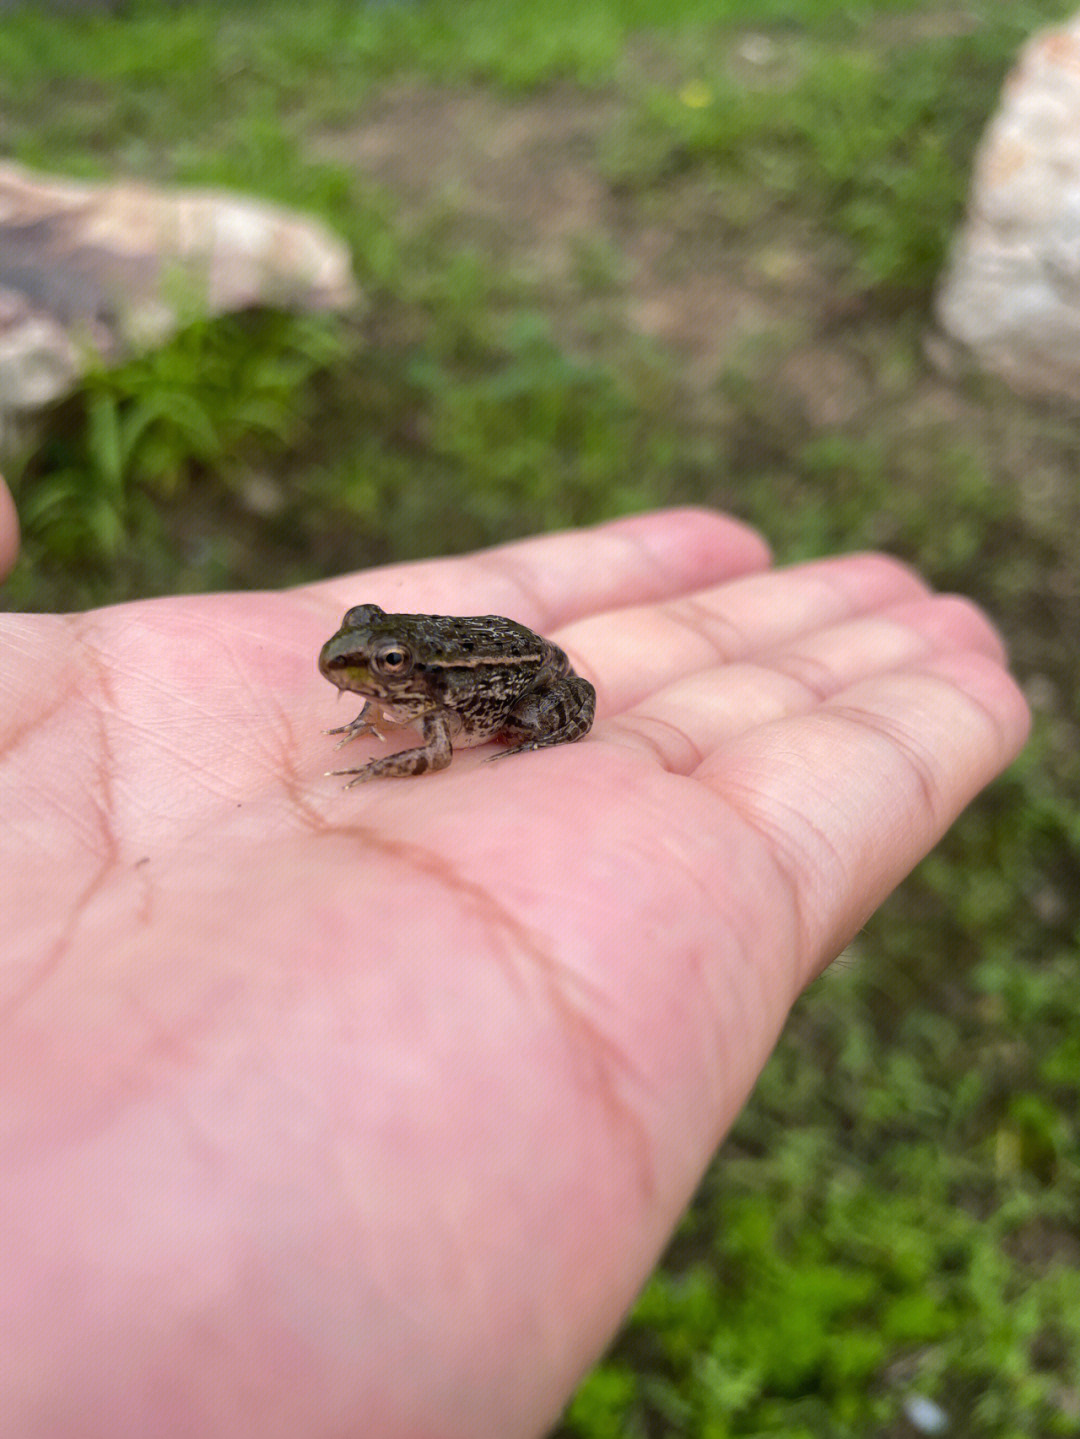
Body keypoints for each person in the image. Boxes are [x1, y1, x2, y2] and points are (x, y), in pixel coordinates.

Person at [0, 481, 1028, 1439]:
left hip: (528, 675)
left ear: (417, 669)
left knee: (546, 710)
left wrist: (403, 754)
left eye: (383, 665)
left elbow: (441, 743)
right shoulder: (397, 671)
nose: (363, 666)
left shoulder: (456, 694)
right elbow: (397, 697)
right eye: (369, 653)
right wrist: (376, 708)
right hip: (485, 654)